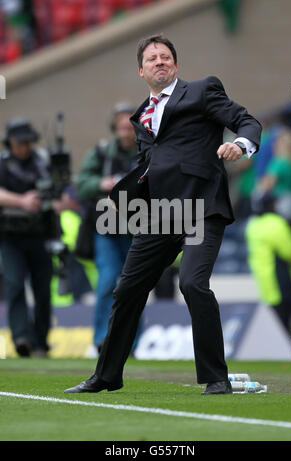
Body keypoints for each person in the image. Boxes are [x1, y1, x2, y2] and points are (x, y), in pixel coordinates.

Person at [65, 34, 262, 395]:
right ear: (141, 70)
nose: (160, 61)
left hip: (202, 206)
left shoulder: (202, 91)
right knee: (126, 290)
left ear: (175, 64)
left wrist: (239, 143)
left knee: (191, 283)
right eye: (152, 58)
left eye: (166, 56)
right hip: (160, 213)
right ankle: (107, 375)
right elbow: (150, 163)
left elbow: (246, 120)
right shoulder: (140, 115)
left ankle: (216, 378)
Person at [75, 103, 138, 354]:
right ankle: (102, 338)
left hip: (136, 229)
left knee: (134, 286)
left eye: (130, 125)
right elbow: (82, 185)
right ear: (115, 128)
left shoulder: (148, 151)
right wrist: (105, 183)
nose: (126, 130)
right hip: (106, 229)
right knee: (107, 281)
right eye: (121, 126)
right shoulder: (101, 153)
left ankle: (131, 343)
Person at [0, 118, 60, 357]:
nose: (24, 147)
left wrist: (48, 200)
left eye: (27, 142)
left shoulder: (43, 163)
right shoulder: (2, 165)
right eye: (19, 142)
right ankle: (21, 337)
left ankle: (41, 342)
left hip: (40, 235)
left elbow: (61, 192)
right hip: (10, 236)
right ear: (10, 142)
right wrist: (23, 201)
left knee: (43, 289)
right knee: (14, 284)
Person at [245, 192, 291, 335]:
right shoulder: (275, 223)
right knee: (285, 325)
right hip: (280, 281)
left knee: (274, 326)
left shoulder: (253, 225)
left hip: (264, 283)